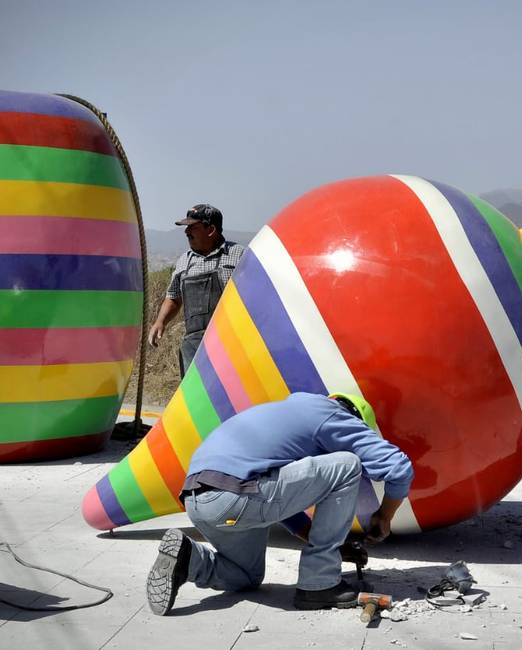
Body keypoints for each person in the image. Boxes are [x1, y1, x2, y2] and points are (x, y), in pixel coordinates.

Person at [145, 392, 414, 615]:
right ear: (352, 417)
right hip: (238, 494)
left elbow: (281, 496)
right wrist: (384, 517)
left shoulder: (284, 413)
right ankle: (318, 584)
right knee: (348, 465)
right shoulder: (331, 414)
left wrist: (331, 545)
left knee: (245, 576)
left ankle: (187, 558)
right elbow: (399, 468)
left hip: (199, 500)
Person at [147, 204, 245, 377]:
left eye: (193, 227)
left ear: (211, 229)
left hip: (232, 342)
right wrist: (160, 322)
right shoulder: (184, 261)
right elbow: (174, 298)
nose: (187, 232)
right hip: (194, 345)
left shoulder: (239, 255)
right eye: (186, 227)